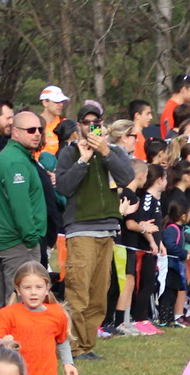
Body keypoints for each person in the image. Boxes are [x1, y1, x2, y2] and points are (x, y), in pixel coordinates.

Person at [53, 115, 134, 356]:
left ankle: (88, 346)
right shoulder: (69, 152)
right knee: (78, 292)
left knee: (99, 295)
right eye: (86, 122)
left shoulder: (114, 150)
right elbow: (64, 188)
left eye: (96, 121)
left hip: (107, 229)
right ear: (79, 125)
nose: (91, 126)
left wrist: (105, 152)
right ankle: (74, 348)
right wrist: (84, 160)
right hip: (80, 229)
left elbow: (127, 178)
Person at [0, 111, 48, 304]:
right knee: (20, 303)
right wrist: (31, 238)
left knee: (6, 302)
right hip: (18, 242)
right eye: (30, 130)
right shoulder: (15, 161)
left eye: (39, 129)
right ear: (15, 132)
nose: (37, 133)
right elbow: (20, 205)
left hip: (11, 240)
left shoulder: (17, 156)